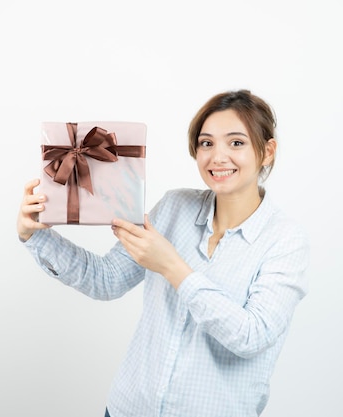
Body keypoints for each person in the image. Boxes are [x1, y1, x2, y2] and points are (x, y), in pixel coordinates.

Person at [17, 89, 309, 417]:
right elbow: (107, 279)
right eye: (206, 143)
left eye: (236, 142)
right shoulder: (174, 207)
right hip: (127, 409)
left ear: (267, 151)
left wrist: (171, 266)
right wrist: (36, 236)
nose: (218, 157)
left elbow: (252, 336)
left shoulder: (285, 241)